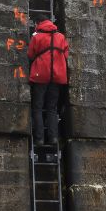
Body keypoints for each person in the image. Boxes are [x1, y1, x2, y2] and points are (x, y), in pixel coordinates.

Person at [27, 15, 69, 146]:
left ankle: (39, 139)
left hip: (41, 76)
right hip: (57, 76)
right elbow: (66, 54)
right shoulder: (61, 37)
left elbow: (30, 54)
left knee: (37, 107)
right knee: (52, 108)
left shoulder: (36, 37)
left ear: (38, 23)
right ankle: (53, 138)